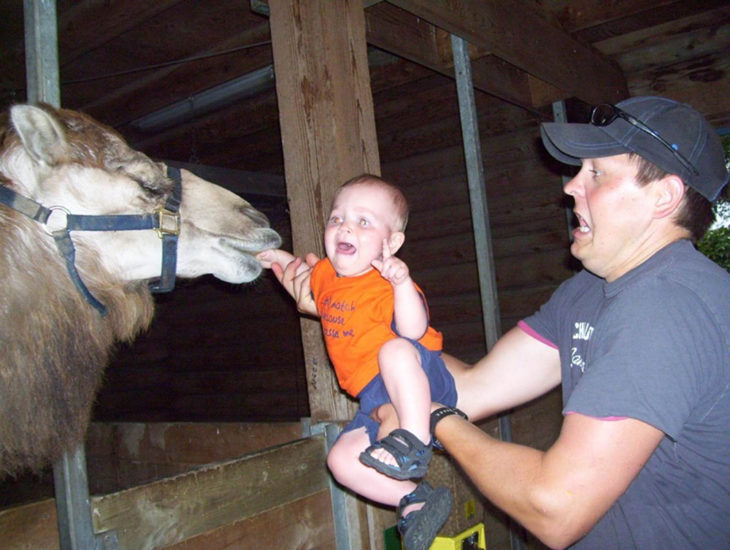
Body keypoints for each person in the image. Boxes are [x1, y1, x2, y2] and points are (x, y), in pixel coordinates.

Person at [276, 97, 730, 549]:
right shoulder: (588, 292)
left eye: (596, 173)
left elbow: (556, 507)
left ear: (664, 197)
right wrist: (351, 311)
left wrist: (429, 417)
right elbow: (473, 388)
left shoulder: (668, 306)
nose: (571, 186)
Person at [257, 174, 458, 550]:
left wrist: (401, 283)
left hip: (416, 375)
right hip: (370, 394)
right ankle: (413, 500)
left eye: (363, 221)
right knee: (341, 461)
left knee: (394, 349)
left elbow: (414, 330)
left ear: (392, 242)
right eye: (337, 219)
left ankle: (412, 439)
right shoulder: (324, 276)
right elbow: (299, 271)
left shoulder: (386, 281)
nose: (345, 226)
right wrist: (274, 258)